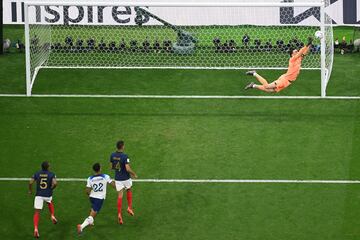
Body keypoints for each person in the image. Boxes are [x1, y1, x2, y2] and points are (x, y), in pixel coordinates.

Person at [244, 37, 313, 93]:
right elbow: (301, 51)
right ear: (292, 54)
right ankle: (254, 73)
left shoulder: (299, 58)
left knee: (271, 91)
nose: (297, 51)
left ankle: (253, 85)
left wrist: (310, 44)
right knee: (267, 86)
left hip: (288, 81)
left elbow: (305, 52)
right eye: (295, 51)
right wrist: (307, 44)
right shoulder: (292, 59)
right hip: (285, 80)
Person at [77, 163, 115, 234]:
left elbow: (87, 190)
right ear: (100, 169)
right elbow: (113, 185)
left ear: (93, 170)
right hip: (99, 198)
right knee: (92, 215)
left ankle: (91, 222)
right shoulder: (105, 176)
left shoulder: (90, 178)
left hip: (92, 197)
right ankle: (81, 226)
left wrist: (90, 194)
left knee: (93, 209)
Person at [110, 140, 138, 225]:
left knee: (120, 196)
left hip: (118, 178)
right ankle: (129, 207)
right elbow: (127, 169)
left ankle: (119, 214)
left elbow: (111, 167)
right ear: (122, 146)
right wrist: (134, 174)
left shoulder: (112, 155)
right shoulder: (125, 156)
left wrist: (118, 168)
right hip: (125, 178)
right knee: (129, 189)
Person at [28, 161, 57, 238]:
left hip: (39, 195)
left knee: (37, 212)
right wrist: (52, 188)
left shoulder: (37, 173)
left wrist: (30, 190)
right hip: (47, 194)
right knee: (49, 202)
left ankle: (36, 229)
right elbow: (55, 183)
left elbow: (30, 182)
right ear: (48, 167)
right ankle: (52, 215)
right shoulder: (52, 174)